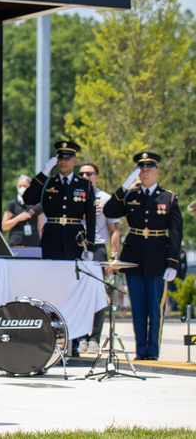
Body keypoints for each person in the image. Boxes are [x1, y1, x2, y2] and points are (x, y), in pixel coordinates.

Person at [102, 152, 183, 361]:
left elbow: (175, 232)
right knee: (137, 307)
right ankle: (140, 350)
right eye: (142, 170)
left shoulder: (169, 198)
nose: (145, 173)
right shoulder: (131, 195)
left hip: (158, 257)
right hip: (134, 256)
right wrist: (125, 185)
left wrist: (172, 262)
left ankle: (153, 351)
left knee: (155, 307)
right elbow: (109, 209)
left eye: (149, 169)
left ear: (157, 171)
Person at [22, 140, 96, 261]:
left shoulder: (85, 185)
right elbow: (28, 198)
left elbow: (91, 218)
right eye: (60, 158)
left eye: (67, 159)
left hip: (74, 239)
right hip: (51, 239)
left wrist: (91, 246)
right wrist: (44, 172)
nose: (63, 162)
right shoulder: (48, 182)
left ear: (75, 161)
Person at [78, 161, 119, 354]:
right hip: (77, 247)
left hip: (99, 247)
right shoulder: (74, 196)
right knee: (77, 293)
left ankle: (94, 337)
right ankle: (79, 337)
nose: (85, 177)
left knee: (97, 294)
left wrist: (113, 256)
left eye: (89, 174)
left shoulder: (105, 199)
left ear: (97, 177)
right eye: (82, 174)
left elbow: (114, 230)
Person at [1, 175, 41, 248]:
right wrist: (19, 218)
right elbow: (4, 226)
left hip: (33, 245)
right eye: (20, 186)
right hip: (16, 245)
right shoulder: (12, 204)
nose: (22, 188)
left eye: (25, 186)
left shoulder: (36, 204)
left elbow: (40, 227)